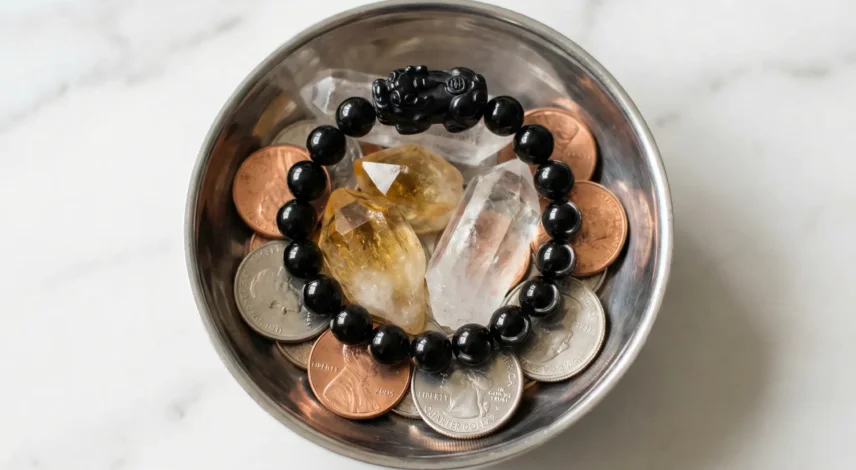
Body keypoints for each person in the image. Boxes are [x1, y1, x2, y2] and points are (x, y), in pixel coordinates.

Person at [323, 345, 381, 414]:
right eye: (369, 353)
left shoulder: (362, 385)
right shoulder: (335, 391)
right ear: (355, 355)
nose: (376, 359)